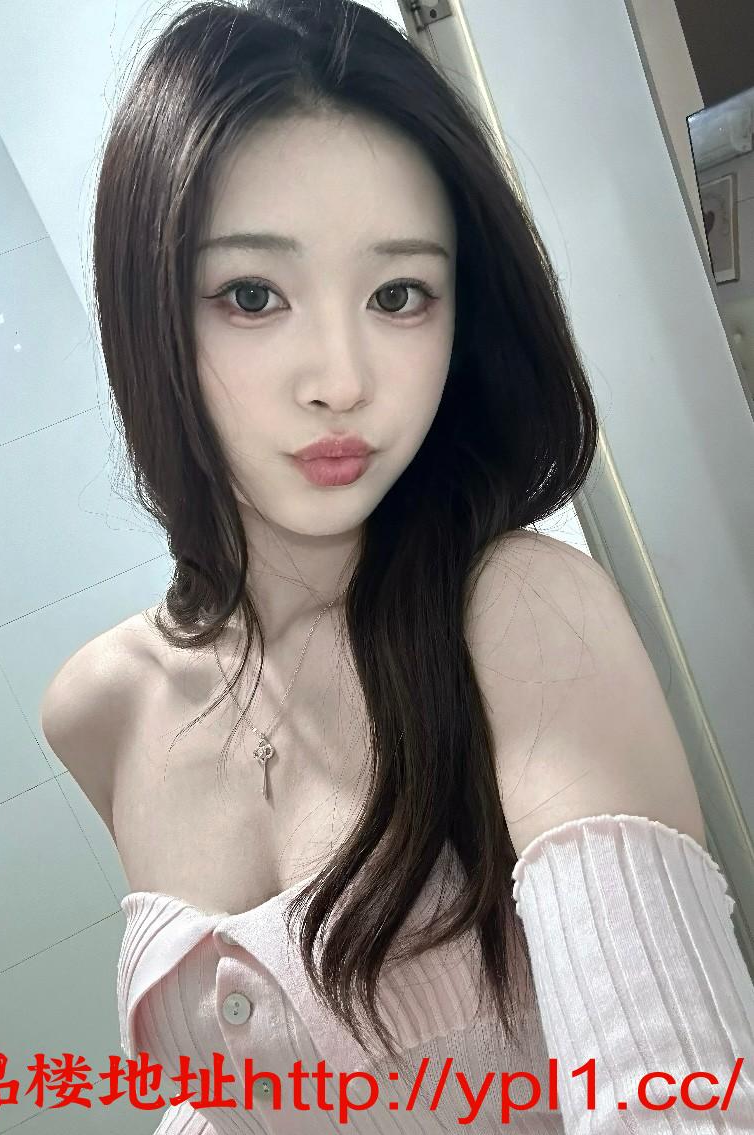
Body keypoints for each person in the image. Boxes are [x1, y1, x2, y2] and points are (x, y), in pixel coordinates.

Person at [41, 0, 754, 1131]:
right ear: (149, 314)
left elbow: (671, 1096)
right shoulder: (100, 708)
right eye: (254, 296)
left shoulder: (518, 614)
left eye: (398, 294)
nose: (341, 379)